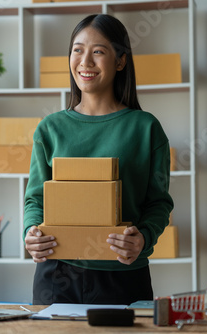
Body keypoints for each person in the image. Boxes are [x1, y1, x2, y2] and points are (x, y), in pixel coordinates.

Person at [23, 14, 174, 305]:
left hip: (123, 274)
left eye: (99, 52)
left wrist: (142, 238)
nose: (85, 62)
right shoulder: (50, 128)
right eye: (78, 50)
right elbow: (35, 199)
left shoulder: (146, 128)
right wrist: (30, 232)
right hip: (56, 274)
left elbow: (158, 202)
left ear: (121, 61)